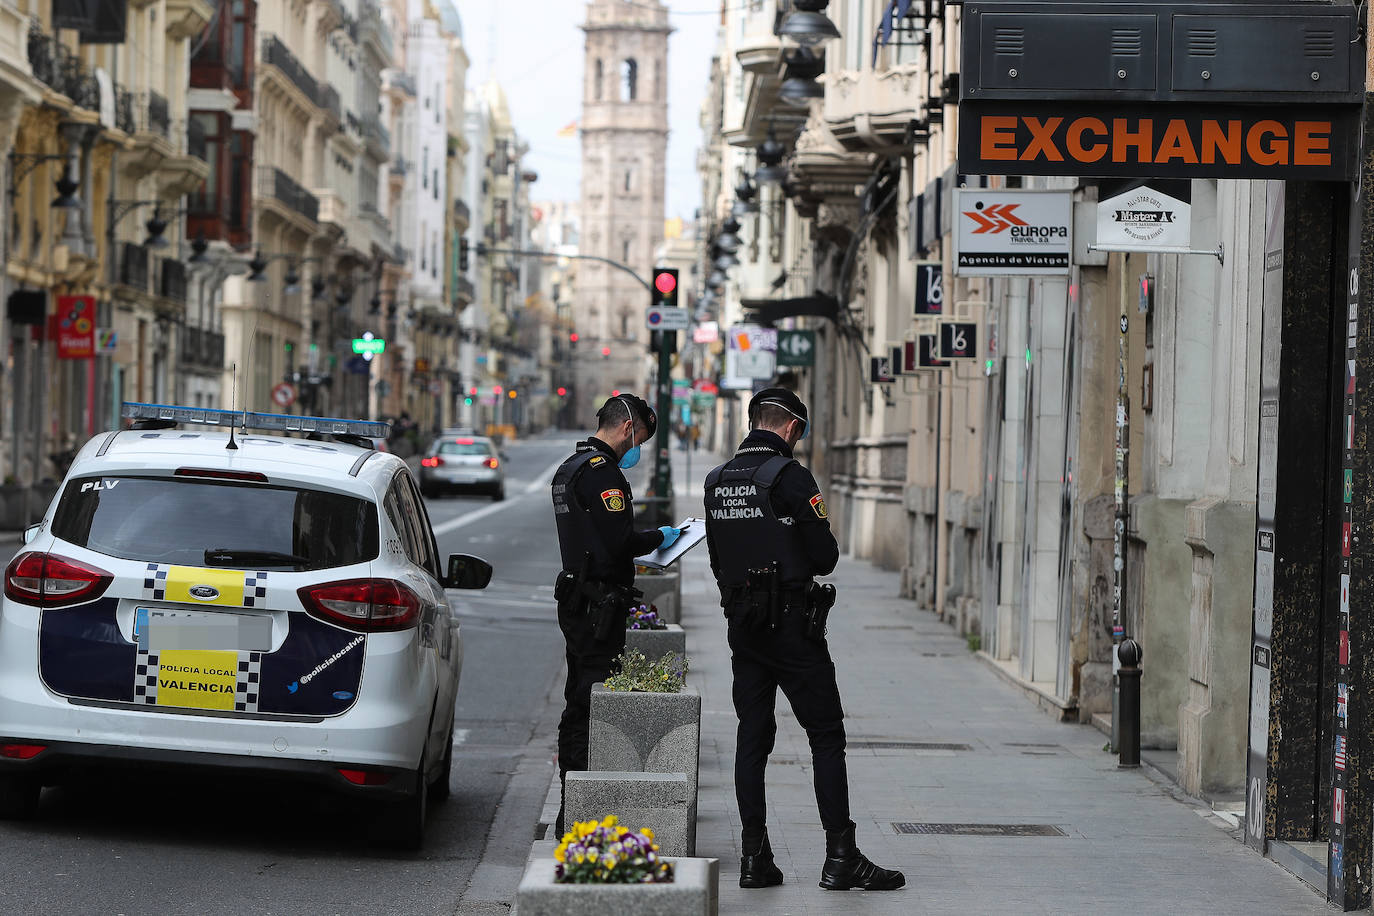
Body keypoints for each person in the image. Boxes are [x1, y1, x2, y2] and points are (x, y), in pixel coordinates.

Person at [703, 387, 904, 892]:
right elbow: (824, 556)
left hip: (743, 629)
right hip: (793, 628)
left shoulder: (717, 481)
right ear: (792, 427)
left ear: (753, 422)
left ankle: (755, 858)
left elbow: (717, 562)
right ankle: (841, 856)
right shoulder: (790, 478)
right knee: (825, 735)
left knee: (752, 739)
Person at [550, 393, 686, 835]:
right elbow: (619, 540)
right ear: (628, 428)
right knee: (588, 701)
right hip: (597, 605)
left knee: (577, 697)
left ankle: (570, 797)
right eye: (640, 438)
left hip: (578, 598)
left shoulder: (570, 468)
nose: (636, 448)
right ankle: (574, 807)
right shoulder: (601, 473)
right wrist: (662, 537)